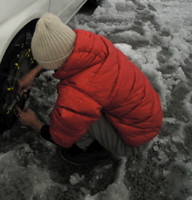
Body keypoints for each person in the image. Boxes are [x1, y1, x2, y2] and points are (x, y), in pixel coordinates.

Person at [16, 13, 163, 165]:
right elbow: (59, 52)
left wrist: (33, 122)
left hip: (135, 140)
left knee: (77, 124)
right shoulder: (95, 44)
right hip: (148, 116)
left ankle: (95, 151)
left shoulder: (78, 93)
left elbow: (61, 138)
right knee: (86, 109)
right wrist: (33, 72)